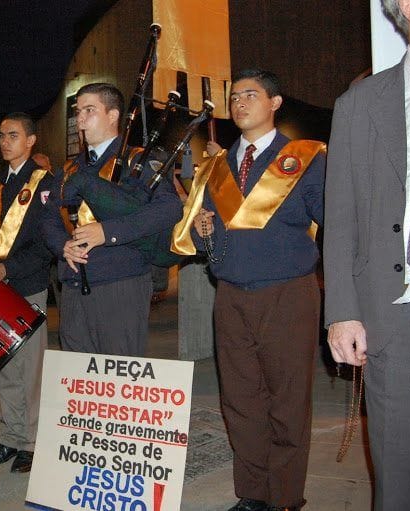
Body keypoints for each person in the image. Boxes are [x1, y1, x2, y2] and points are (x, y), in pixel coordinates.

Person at [172, 69, 325, 511]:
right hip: (232, 295)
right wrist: (202, 231)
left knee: (288, 400)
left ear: (275, 103)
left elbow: (332, 219)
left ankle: (286, 496)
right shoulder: (217, 165)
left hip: (288, 293)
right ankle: (253, 493)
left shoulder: (302, 157)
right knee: (239, 400)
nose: (239, 103)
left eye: (250, 95)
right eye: (234, 96)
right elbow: (200, 231)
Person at [324, 2, 410, 509]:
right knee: (400, 477)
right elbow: (340, 218)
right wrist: (342, 311)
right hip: (399, 316)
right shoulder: (361, 104)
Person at [40, 82, 182, 356]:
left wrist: (109, 231)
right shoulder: (71, 167)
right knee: (79, 380)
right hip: (72, 284)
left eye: (89, 110)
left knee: (117, 378)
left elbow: (168, 209)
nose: (80, 118)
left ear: (113, 115)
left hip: (120, 283)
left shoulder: (136, 160)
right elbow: (49, 217)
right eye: (78, 111)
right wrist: (62, 246)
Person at [0, 112, 53, 473]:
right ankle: (10, 436)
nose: (5, 141)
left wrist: (8, 269)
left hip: (27, 288)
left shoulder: (46, 182)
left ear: (31, 140)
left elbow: (47, 246)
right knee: (1, 368)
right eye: (1, 135)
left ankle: (30, 443)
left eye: (13, 135)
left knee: (29, 372)